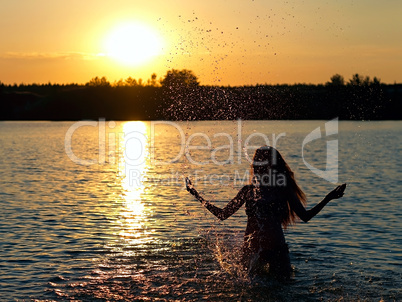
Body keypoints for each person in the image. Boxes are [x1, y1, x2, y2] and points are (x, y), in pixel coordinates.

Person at [186, 146, 346, 280]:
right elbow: (222, 215)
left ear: (271, 165)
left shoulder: (283, 189)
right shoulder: (248, 191)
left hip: (274, 250)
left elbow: (305, 216)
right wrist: (196, 195)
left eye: (260, 162)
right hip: (253, 251)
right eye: (256, 161)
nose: (256, 165)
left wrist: (328, 198)